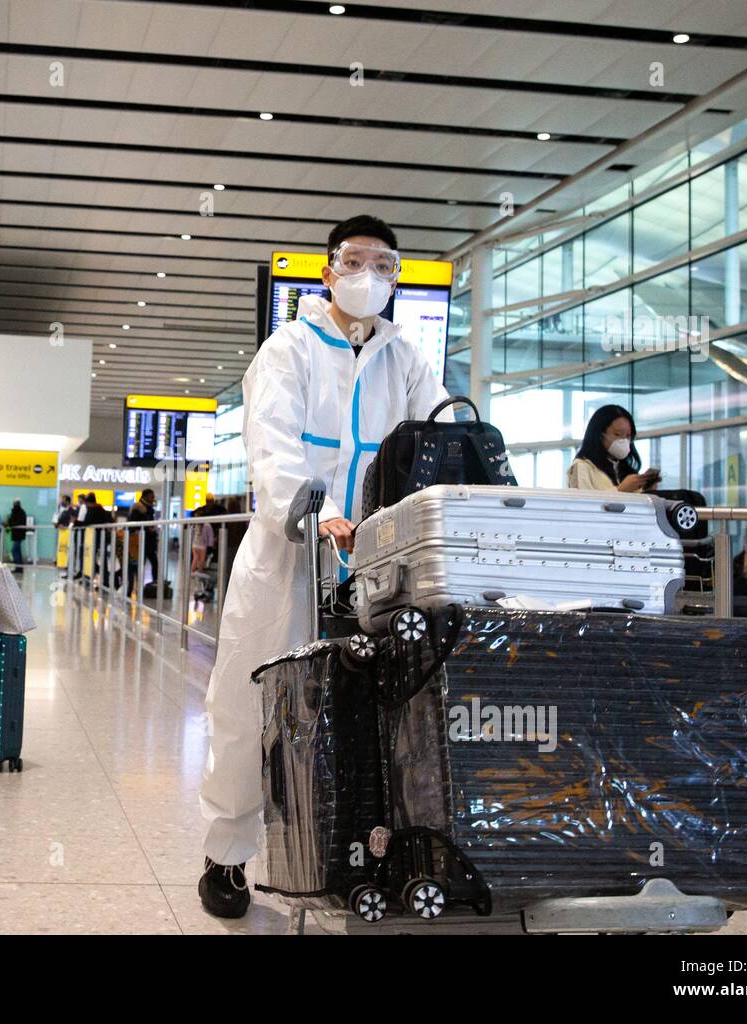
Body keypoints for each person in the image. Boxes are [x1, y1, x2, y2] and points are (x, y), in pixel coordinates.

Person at [198, 215, 449, 917]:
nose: (370, 275)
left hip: (382, 559)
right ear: (327, 271)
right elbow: (272, 445)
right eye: (356, 261)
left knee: (388, 704)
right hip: (290, 554)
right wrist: (315, 509)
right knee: (252, 701)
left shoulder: (407, 359)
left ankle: (372, 848)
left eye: (384, 265)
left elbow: (441, 437)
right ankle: (225, 855)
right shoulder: (288, 350)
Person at [566, 405, 661, 493]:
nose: (624, 440)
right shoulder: (582, 466)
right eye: (618, 434)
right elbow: (581, 505)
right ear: (600, 435)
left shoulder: (623, 468)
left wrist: (646, 491)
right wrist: (621, 489)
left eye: (628, 436)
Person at [126, 487, 159, 596]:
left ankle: (155, 585)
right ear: (145, 496)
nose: (153, 498)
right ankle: (136, 587)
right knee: (139, 565)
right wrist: (146, 527)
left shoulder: (149, 508)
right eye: (151, 496)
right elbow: (133, 524)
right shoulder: (138, 507)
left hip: (148, 541)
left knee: (153, 563)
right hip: (140, 541)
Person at [7, 499, 28, 574]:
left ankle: (19, 567)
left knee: (14, 550)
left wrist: (9, 523)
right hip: (17, 534)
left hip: (18, 534)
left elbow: (15, 522)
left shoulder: (19, 512)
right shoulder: (19, 512)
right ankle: (19, 567)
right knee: (17, 551)